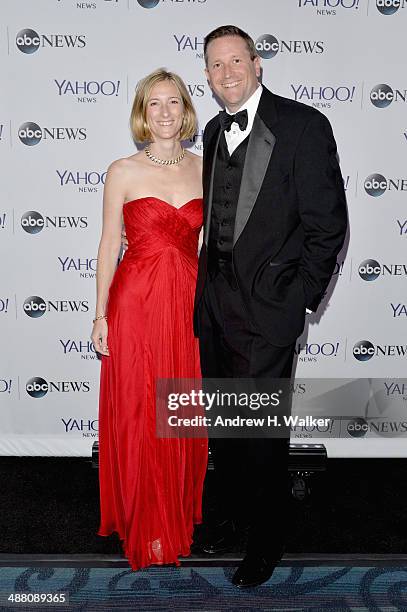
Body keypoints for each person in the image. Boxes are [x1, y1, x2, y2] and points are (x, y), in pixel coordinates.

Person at [193, 25, 348, 588]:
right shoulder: (211, 132)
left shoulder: (304, 126)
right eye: (216, 64)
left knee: (261, 435)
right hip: (215, 308)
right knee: (227, 427)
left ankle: (267, 537)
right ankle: (233, 517)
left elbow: (328, 227)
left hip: (269, 312)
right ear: (207, 76)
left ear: (258, 64)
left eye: (236, 60)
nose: (227, 71)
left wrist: (298, 299)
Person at [91, 68, 208, 571]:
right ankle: (147, 525)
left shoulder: (207, 168)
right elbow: (107, 244)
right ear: (142, 112)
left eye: (174, 102)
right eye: (154, 103)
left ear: (186, 110)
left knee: (178, 410)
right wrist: (99, 314)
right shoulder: (123, 170)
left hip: (188, 303)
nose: (165, 112)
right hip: (135, 303)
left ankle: (176, 514)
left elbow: (211, 246)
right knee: (141, 411)